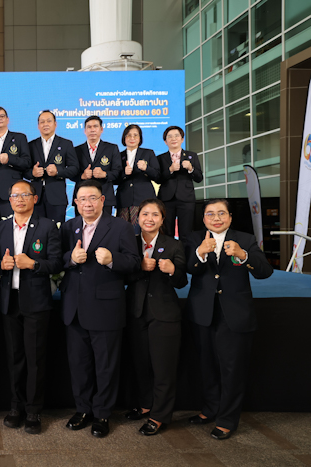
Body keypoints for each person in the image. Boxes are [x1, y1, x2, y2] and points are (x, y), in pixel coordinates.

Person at [185, 199, 273, 440]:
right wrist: (200, 253)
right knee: (206, 366)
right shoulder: (194, 238)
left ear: (230, 217)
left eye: (221, 213)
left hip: (234, 314)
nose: (216, 218)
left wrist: (243, 255)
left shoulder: (245, 239)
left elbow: (265, 272)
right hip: (202, 313)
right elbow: (189, 269)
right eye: (210, 214)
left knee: (232, 369)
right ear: (203, 218)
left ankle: (227, 419)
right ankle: (210, 409)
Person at [59, 180, 140, 438]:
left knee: (106, 365)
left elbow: (134, 262)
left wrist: (113, 259)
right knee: (79, 364)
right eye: (82, 199)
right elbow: (58, 258)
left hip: (106, 308)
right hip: (74, 307)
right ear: (75, 202)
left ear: (103, 200)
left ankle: (103, 413)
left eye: (92, 198)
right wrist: (70, 259)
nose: (87, 204)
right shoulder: (69, 227)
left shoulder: (121, 226)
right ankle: (83, 409)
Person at [0, 180, 62, 434]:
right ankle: (16, 407)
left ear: (35, 198)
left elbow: (56, 263)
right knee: (14, 358)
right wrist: (0, 265)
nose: (19, 199)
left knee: (35, 359)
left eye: (24, 195)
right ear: (9, 200)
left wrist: (33, 264)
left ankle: (33, 410)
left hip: (36, 302)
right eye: (15, 195)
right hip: (9, 302)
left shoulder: (47, 226)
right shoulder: (0, 227)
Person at [124, 199, 187, 436]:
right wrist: (139, 266)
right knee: (140, 364)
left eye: (155, 215)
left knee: (163, 368)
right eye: (145, 214)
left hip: (164, 313)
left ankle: (159, 415)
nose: (149, 219)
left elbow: (181, 281)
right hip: (135, 312)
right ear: (137, 218)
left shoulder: (174, 244)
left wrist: (173, 270)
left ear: (162, 219)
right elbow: (121, 275)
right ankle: (145, 404)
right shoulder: (129, 243)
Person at [25, 110, 79, 224]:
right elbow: (23, 170)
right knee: (37, 230)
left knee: (57, 230)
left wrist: (58, 171)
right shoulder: (31, 145)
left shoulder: (66, 144)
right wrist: (32, 173)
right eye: (42, 122)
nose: (45, 124)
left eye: (49, 121)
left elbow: (74, 168)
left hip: (57, 197)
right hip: (36, 198)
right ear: (38, 126)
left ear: (55, 124)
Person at [0, 106, 31, 224]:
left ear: (7, 119)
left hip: (12, 193)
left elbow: (27, 162)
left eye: (2, 116)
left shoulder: (19, 138)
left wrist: (10, 159)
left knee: (12, 228)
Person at [157, 125, 203, 243]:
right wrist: (170, 170)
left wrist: (191, 168)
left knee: (186, 233)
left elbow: (199, 178)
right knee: (167, 232)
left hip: (186, 199)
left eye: (176, 136)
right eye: (170, 136)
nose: (173, 139)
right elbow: (157, 179)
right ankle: (168, 254)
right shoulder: (160, 158)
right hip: (166, 199)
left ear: (182, 139)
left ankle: (186, 254)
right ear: (165, 141)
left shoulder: (192, 156)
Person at [116, 125, 161, 234]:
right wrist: (124, 173)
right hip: (124, 199)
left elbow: (158, 176)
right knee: (122, 232)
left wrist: (146, 168)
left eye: (135, 135)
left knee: (143, 232)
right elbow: (113, 179)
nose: (132, 138)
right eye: (129, 135)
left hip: (143, 199)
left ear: (140, 138)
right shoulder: (118, 155)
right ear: (124, 138)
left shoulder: (148, 153)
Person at [73, 116, 121, 216]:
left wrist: (105, 174)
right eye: (89, 127)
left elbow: (118, 172)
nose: (92, 130)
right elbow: (70, 173)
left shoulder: (112, 148)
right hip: (82, 198)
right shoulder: (76, 150)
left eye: (95, 126)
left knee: (105, 225)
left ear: (101, 129)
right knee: (81, 225)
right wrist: (82, 176)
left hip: (104, 197)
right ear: (85, 131)